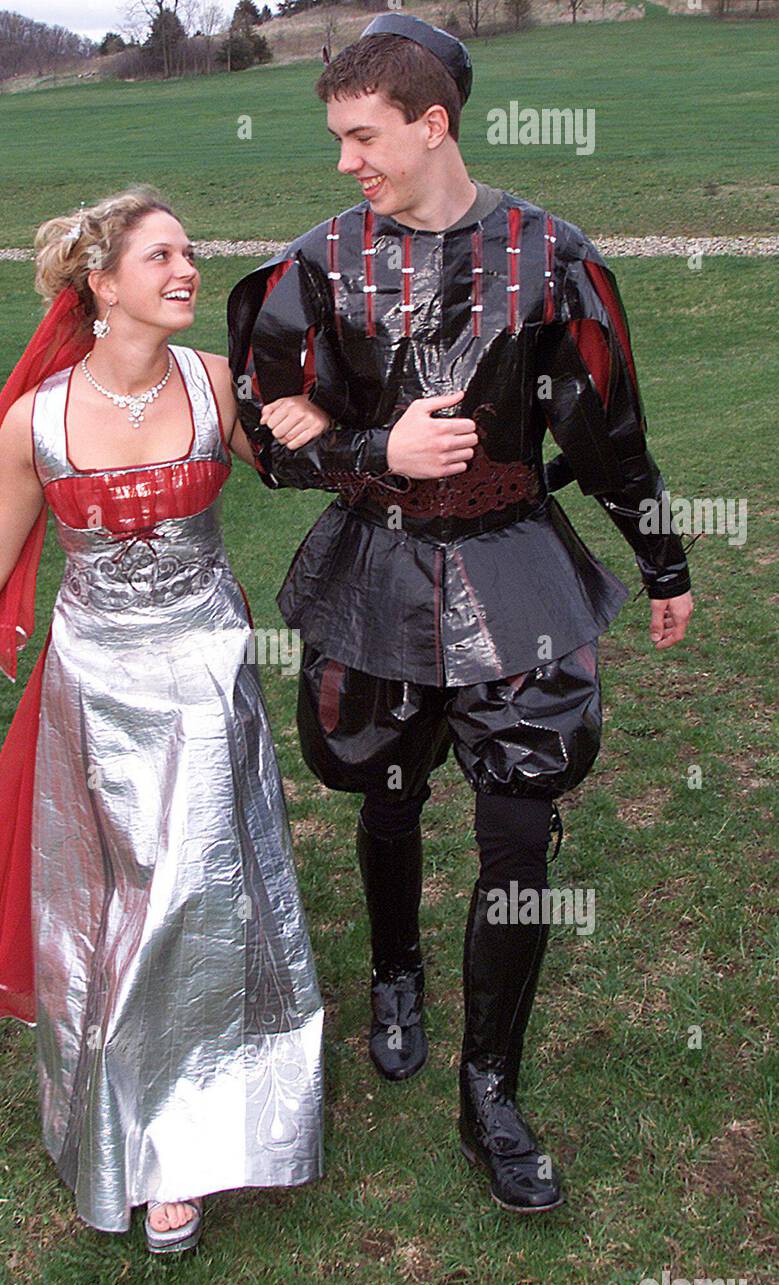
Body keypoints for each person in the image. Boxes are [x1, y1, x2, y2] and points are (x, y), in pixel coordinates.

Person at [227, 17, 693, 1213]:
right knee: (384, 785)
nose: (344, 163)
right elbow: (265, 436)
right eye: (334, 139)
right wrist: (372, 443)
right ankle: (395, 973)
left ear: (433, 124)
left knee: (519, 828)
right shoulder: (316, 266)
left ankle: (491, 1087)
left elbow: (604, 431)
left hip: (513, 568)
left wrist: (660, 562)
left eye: (361, 137)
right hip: (376, 570)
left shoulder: (552, 258)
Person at [0, 185, 333, 1253]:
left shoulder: (213, 382)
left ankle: (214, 1131)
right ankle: (139, 1131)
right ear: (101, 284)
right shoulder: (37, 419)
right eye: (161, 257)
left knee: (206, 891)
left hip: (206, 671)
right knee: (116, 915)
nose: (186, 271)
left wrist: (312, 419)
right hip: (95, 687)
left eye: (190, 253)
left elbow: (301, 471)